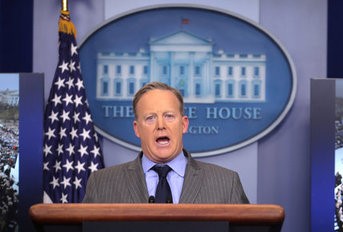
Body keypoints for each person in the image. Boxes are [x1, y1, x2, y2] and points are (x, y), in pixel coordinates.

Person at [83, 82, 249, 204]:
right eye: (150, 118)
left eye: (169, 116)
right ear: (137, 129)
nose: (160, 125)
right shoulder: (101, 184)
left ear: (184, 124)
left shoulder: (226, 183)